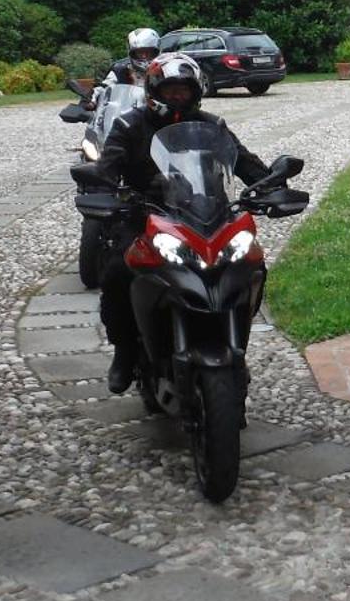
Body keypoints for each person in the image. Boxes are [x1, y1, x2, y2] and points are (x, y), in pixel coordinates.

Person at [92, 52, 270, 395]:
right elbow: (107, 168)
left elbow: (242, 160)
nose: (177, 96)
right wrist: (107, 190)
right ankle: (124, 351)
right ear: (154, 91)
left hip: (206, 215)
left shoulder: (212, 126)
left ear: (195, 92)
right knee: (117, 272)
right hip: (145, 215)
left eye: (183, 90)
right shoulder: (130, 126)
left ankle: (235, 340)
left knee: (251, 264)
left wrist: (269, 183)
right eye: (170, 89)